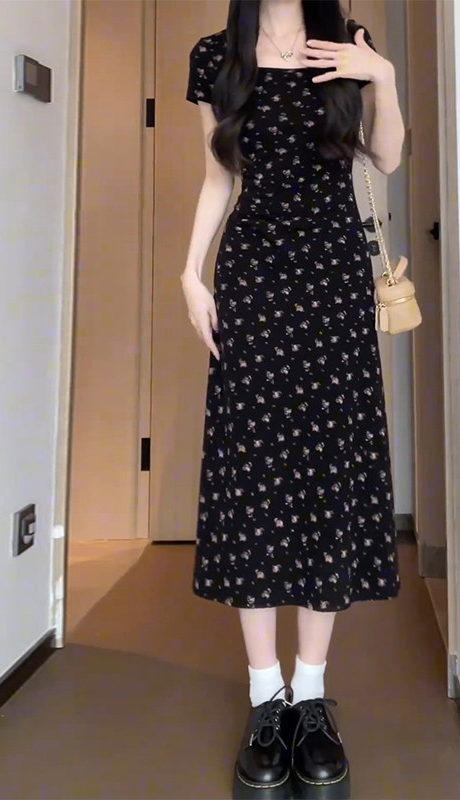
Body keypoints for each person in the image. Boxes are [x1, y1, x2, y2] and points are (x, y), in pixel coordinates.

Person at [181, 0, 405, 796]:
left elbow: (386, 158)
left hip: (334, 278)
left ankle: (311, 696)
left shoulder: (348, 44)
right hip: (253, 276)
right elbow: (220, 172)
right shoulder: (216, 54)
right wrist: (190, 272)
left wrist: (382, 76)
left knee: (326, 474)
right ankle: (264, 699)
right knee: (253, 478)